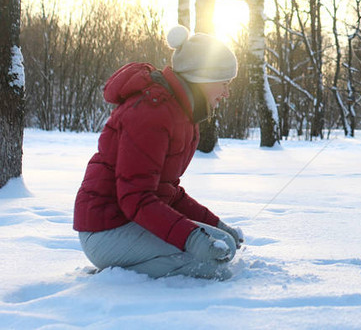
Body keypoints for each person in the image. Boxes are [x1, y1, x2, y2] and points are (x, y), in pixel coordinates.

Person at [73, 25, 244, 280]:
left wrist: (217, 226)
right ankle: (116, 274)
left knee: (224, 246)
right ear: (203, 77)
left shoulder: (181, 113)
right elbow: (136, 197)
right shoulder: (151, 112)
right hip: (106, 230)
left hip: (129, 221)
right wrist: (193, 239)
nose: (226, 92)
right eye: (224, 82)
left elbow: (167, 192)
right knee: (214, 268)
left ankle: (134, 264)